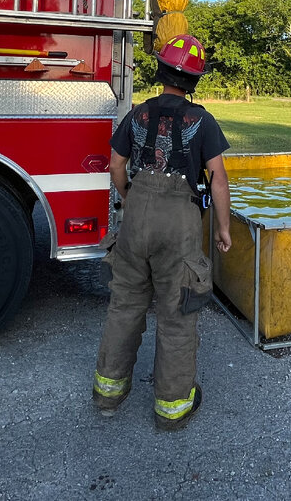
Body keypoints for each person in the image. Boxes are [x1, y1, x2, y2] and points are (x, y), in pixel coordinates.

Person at [92, 34, 233, 431]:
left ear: (162, 71)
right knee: (176, 315)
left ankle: (108, 393)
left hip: (135, 221)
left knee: (124, 307)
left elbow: (116, 165)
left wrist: (129, 199)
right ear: (194, 80)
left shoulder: (136, 115)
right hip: (179, 224)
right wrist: (223, 228)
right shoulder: (202, 120)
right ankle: (172, 410)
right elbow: (217, 179)